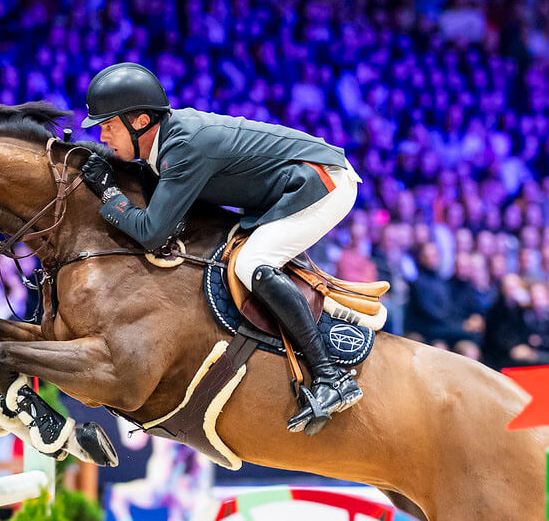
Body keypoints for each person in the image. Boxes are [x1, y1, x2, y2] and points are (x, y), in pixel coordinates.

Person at [78, 63, 363, 435]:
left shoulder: (183, 146)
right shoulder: (168, 142)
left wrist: (110, 194)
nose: (102, 135)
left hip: (322, 182)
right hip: (292, 182)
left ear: (141, 122)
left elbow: (151, 233)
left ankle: (332, 377)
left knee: (252, 263)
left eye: (108, 126)